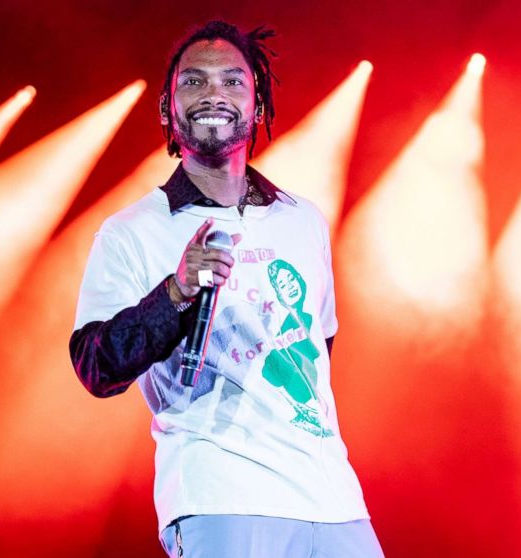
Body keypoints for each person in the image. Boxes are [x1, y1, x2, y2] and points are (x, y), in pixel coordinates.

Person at [69, 20, 383, 558]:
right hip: (219, 496)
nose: (214, 92)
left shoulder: (302, 220)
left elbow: (318, 349)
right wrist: (176, 293)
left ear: (258, 105)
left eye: (233, 81)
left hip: (334, 500)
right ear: (167, 111)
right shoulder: (132, 231)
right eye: (193, 82)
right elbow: (96, 366)